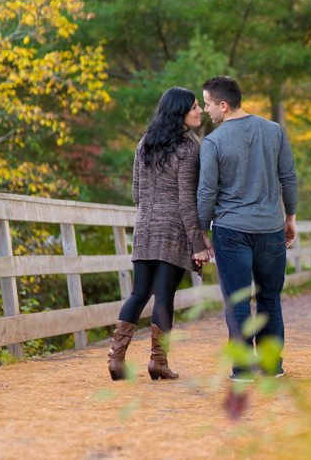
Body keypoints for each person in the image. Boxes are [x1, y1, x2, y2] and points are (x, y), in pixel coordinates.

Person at [196, 76, 297, 380]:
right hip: (270, 228)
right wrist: (290, 218)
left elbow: (206, 192)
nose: (205, 108)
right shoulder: (274, 131)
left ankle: (242, 367)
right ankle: (270, 364)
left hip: (231, 230)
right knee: (269, 297)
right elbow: (288, 178)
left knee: (238, 299)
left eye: (208, 103)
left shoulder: (214, 141)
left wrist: (202, 229)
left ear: (223, 105)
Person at [108, 87, 211, 381]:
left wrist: (150, 214)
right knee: (164, 296)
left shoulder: (145, 143)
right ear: (179, 111)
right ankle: (158, 361)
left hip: (144, 225)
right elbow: (185, 200)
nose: (199, 111)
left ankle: (116, 360)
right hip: (173, 228)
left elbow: (136, 193)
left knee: (139, 292)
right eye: (193, 107)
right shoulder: (188, 147)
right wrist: (197, 243)